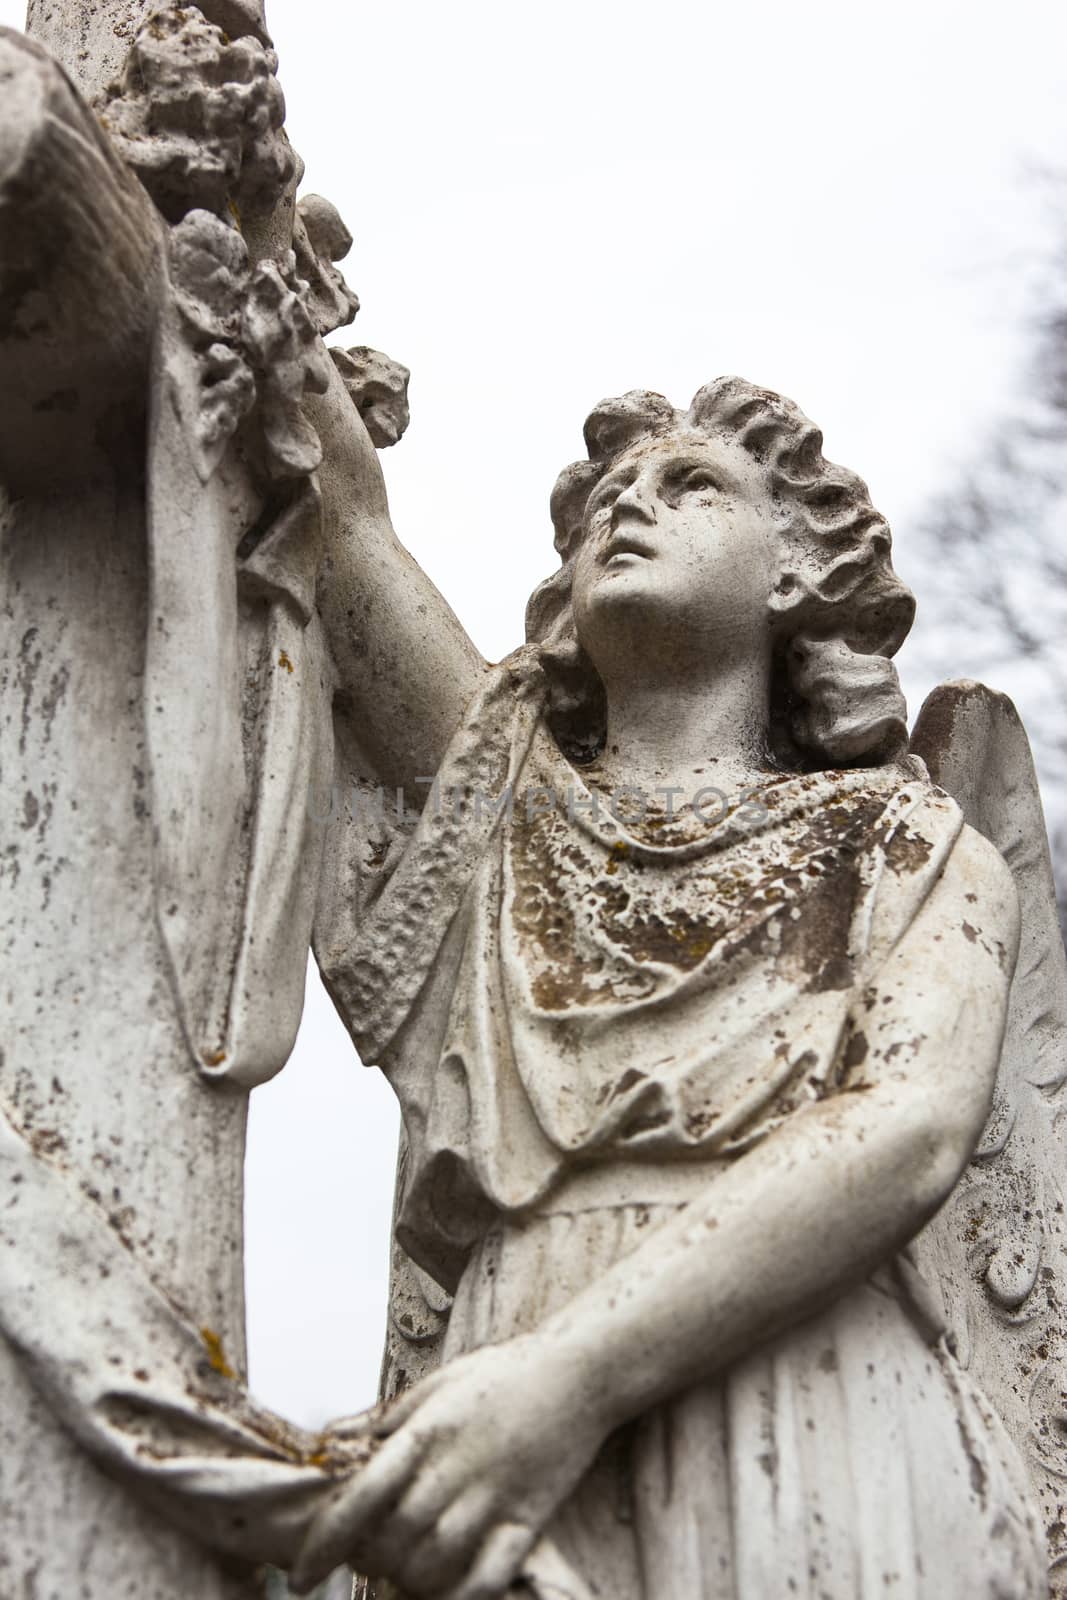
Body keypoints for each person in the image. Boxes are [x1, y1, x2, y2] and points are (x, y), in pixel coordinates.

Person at [293, 376, 1048, 1599]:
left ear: (794, 572)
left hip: (803, 1392)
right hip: (500, 1389)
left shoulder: (902, 842)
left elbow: (905, 1130)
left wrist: (565, 1380)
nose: (626, 504)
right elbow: (342, 525)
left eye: (688, 484)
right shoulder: (498, 806)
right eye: (604, 495)